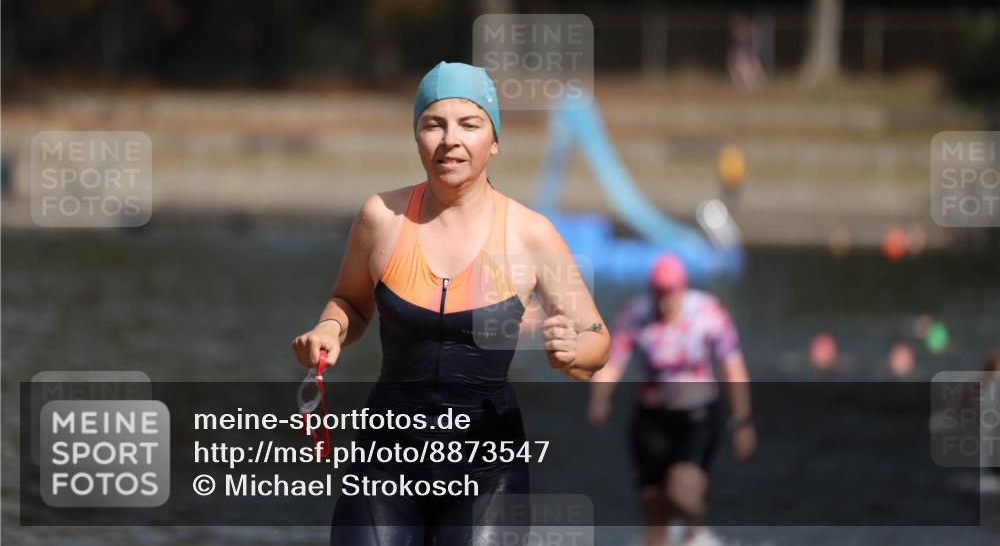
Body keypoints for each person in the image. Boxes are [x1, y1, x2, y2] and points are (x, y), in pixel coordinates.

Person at [291, 61, 610, 545]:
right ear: (416, 136)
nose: (450, 139)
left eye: (470, 123)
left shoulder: (531, 234)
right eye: (433, 124)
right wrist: (330, 330)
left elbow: (597, 340)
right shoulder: (381, 217)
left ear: (494, 141)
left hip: (489, 467)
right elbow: (350, 303)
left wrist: (575, 352)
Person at [588, 254, 755, 546]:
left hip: (697, 417)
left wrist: (742, 421)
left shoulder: (708, 313)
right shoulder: (636, 315)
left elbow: (732, 366)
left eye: (670, 293)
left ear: (682, 289)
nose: (664, 302)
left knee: (682, 493)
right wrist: (600, 400)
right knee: (653, 511)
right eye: (658, 293)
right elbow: (613, 362)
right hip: (651, 419)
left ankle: (695, 530)